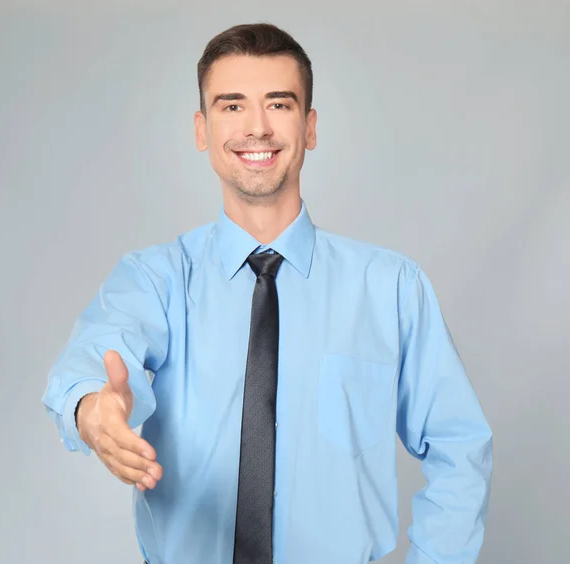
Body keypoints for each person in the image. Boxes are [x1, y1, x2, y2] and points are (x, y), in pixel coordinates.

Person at [42, 22, 493, 564]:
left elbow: (459, 444)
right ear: (201, 129)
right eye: (231, 106)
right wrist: (94, 410)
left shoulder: (391, 287)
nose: (257, 127)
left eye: (279, 104)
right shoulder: (154, 279)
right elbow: (97, 355)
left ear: (310, 127)